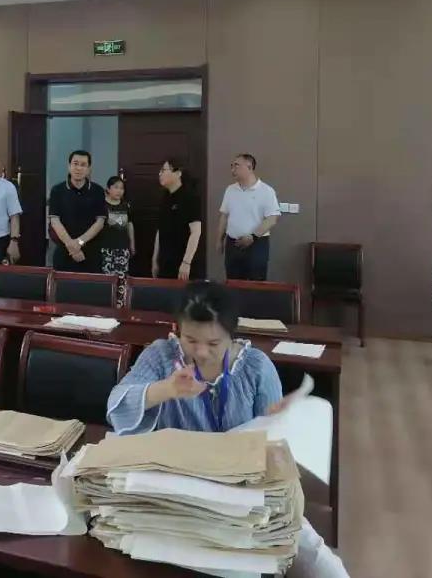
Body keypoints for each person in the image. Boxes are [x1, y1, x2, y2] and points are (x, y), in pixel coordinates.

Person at [105, 281, 348, 578]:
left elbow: (274, 450)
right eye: (190, 340)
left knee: (315, 558)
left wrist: (276, 421)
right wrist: (165, 389)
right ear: (177, 329)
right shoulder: (162, 356)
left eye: (213, 343)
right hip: (179, 485)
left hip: (242, 489)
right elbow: (117, 405)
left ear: (231, 335)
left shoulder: (255, 367)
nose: (201, 352)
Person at [216, 154, 280, 281]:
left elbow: (272, 218)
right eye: (232, 166)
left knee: (256, 284)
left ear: (249, 167)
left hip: (256, 245)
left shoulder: (266, 191)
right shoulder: (230, 190)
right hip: (232, 244)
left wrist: (253, 237)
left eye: (236, 166)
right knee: (233, 282)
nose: (232, 169)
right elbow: (224, 216)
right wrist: (219, 240)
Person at [47, 150, 107, 272]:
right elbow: (55, 221)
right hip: (64, 250)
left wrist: (79, 242)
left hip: (91, 252)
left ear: (89, 169)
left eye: (83, 165)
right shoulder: (57, 190)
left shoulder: (98, 191)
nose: (78, 168)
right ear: (69, 166)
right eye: (75, 163)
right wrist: (71, 246)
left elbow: (100, 222)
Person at [152, 159, 202, 280]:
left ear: (178, 173)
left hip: (182, 261)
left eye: (163, 170)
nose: (160, 174)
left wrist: (186, 262)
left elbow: (196, 232)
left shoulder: (190, 197)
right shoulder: (165, 198)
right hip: (164, 261)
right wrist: (155, 259)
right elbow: (160, 230)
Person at [99, 176, 135, 294]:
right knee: (106, 281)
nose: (119, 191)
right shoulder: (102, 205)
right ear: (108, 189)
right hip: (106, 248)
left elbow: (129, 225)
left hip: (122, 248)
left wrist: (132, 244)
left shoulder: (126, 205)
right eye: (116, 187)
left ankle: (120, 303)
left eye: (122, 188)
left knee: (121, 281)